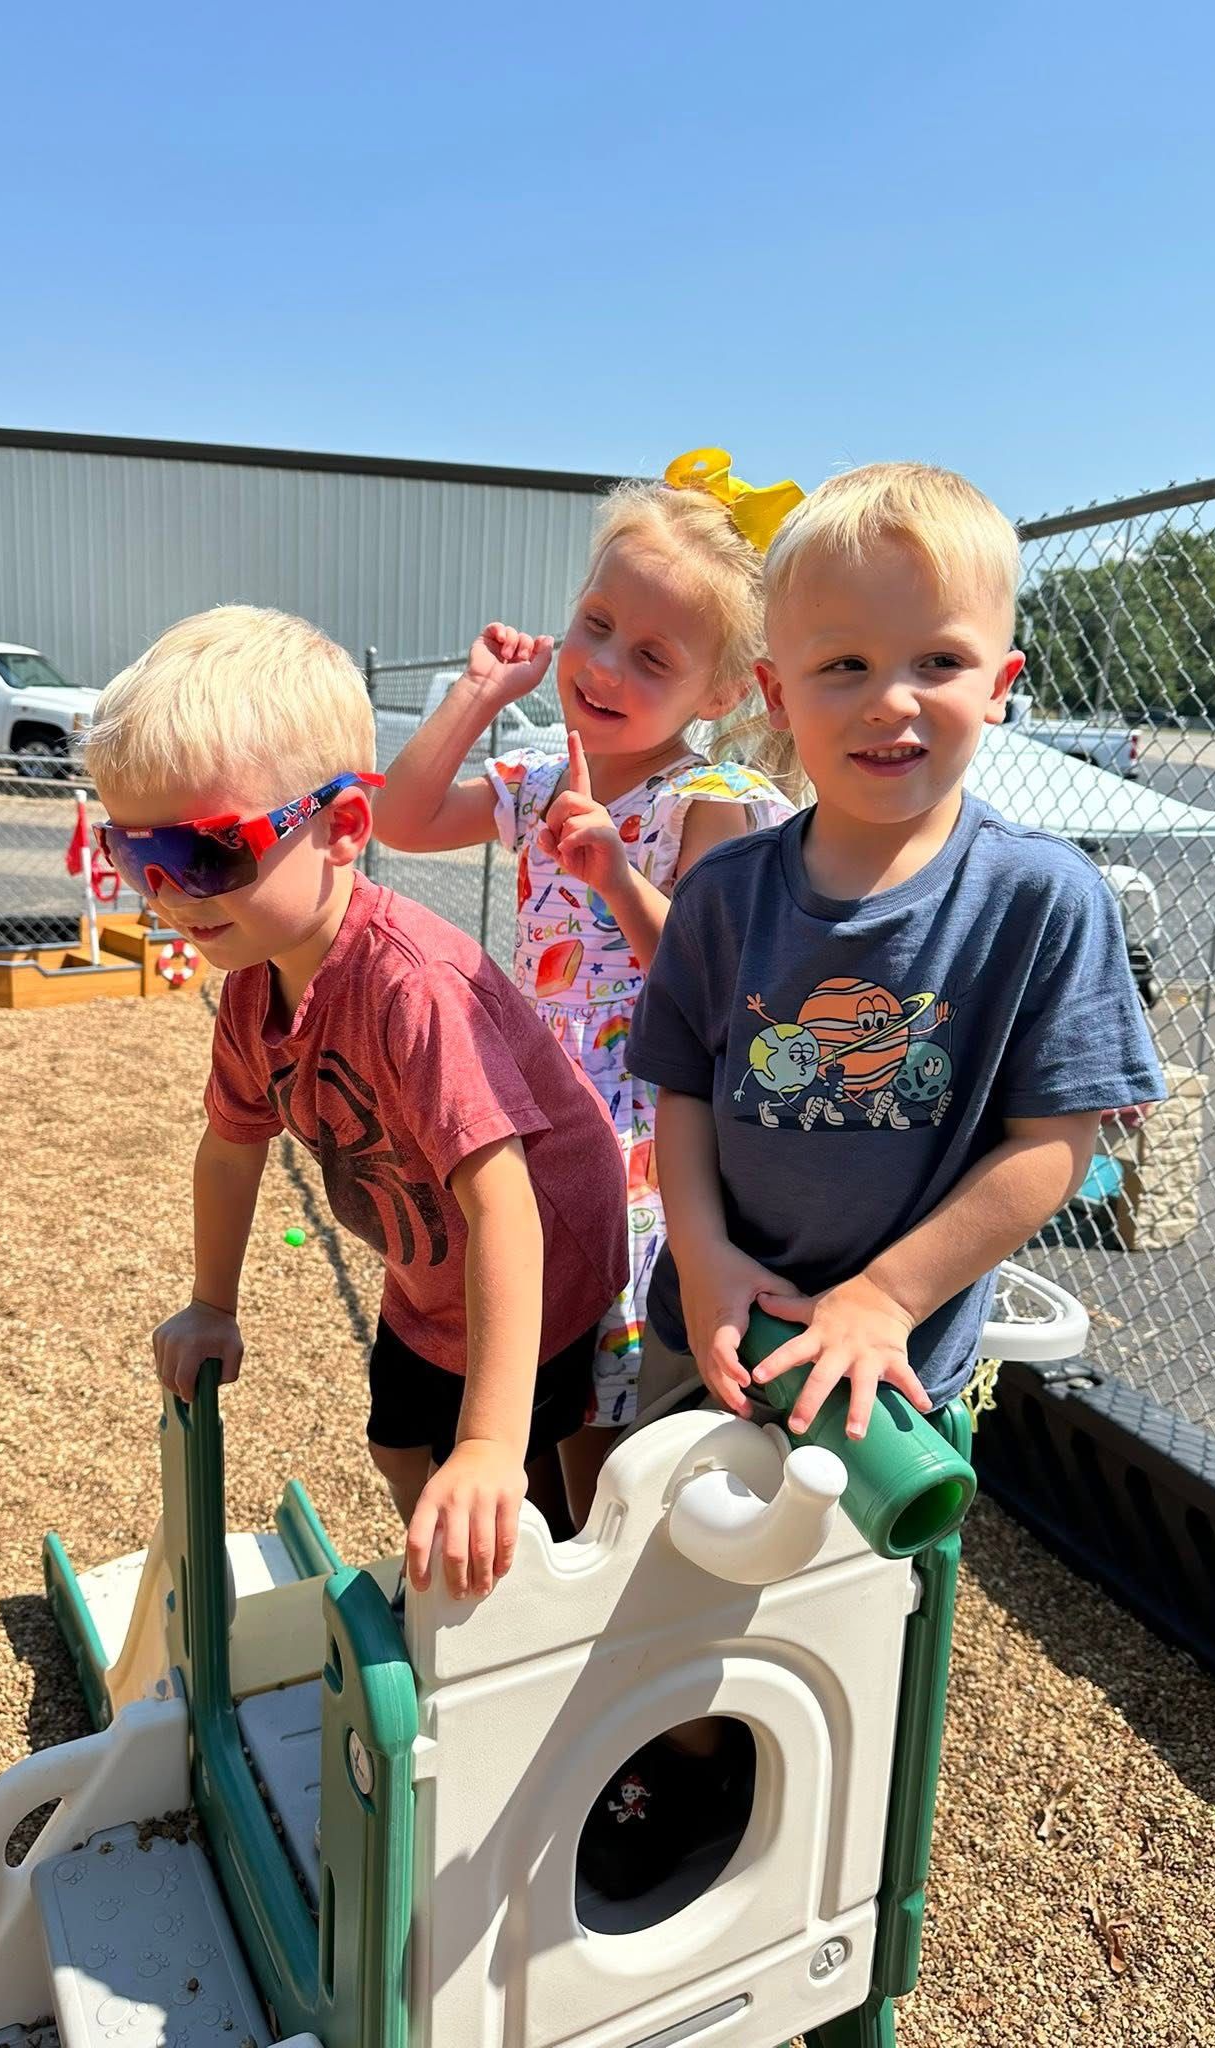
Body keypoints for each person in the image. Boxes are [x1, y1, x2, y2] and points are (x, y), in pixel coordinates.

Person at [83, 606, 627, 1603]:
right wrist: (212, 1302)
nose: (167, 892)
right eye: (134, 853)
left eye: (205, 854)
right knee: (396, 1444)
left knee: (539, 1480)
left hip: (539, 1254)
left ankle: (531, 1614)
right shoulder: (252, 983)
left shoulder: (409, 988)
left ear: (341, 828)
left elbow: (504, 1201)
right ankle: (471, 1586)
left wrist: (492, 1446)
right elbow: (229, 1148)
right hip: (430, 1265)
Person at [628, 460, 1166, 1445]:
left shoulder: (1044, 899)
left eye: (938, 662)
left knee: (860, 1592)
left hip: (895, 1362)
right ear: (774, 691)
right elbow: (686, 1093)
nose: (891, 700)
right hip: (712, 1328)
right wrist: (702, 1259)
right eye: (844, 665)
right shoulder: (722, 893)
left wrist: (885, 1295)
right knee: (661, 1557)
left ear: (1001, 685)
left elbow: (1055, 1143)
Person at [373, 450, 798, 1520]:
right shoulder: (536, 777)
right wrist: (481, 695)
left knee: (597, 1399)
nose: (604, 665)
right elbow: (404, 820)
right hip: (534, 1104)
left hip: (642, 1128)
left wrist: (612, 869)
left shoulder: (709, 797)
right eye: (596, 624)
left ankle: (599, 1568)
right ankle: (534, 1551)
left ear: (719, 690)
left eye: (651, 654)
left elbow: (701, 981)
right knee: (519, 1338)